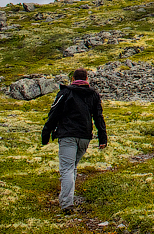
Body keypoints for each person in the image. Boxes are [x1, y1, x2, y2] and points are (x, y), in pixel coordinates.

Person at [41, 68, 108, 213]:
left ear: (72, 79)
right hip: (85, 137)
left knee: (67, 169)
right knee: (72, 167)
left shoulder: (65, 93)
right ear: (86, 79)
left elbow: (54, 113)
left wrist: (46, 134)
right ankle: (67, 197)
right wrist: (102, 138)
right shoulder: (93, 95)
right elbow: (98, 116)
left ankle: (66, 203)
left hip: (67, 136)